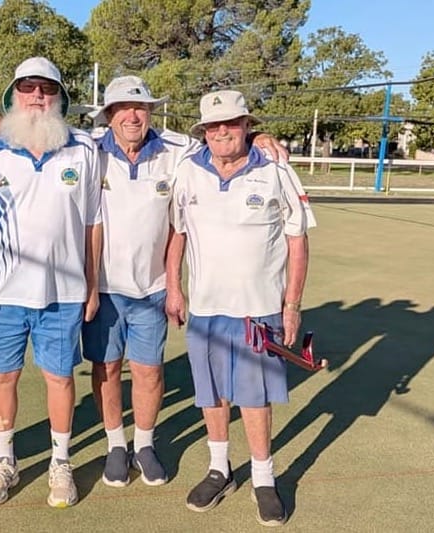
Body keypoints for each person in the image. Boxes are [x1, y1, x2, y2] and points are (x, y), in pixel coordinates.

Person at [81, 76, 290, 489]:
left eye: (140, 107)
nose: (132, 116)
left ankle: (144, 444)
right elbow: (43, 134)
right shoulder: (87, 149)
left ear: (151, 111)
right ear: (109, 115)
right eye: (122, 108)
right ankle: (115, 445)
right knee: (105, 369)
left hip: (154, 287)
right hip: (103, 286)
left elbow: (227, 141)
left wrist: (259, 135)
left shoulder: (179, 150)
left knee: (149, 372)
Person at [166, 89, 315, 526]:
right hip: (207, 309)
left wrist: (292, 305)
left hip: (260, 308)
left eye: (231, 123)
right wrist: (174, 288)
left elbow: (297, 239)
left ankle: (263, 478)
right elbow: (178, 234)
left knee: (254, 398)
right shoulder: (187, 171)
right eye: (213, 126)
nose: (222, 132)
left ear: (248, 125)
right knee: (212, 395)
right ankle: (219, 469)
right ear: (204, 132)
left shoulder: (275, 168)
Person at [0, 57, 101, 509]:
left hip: (63, 294)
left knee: (60, 379)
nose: (38, 97)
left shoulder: (83, 148)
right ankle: (6, 460)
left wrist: (92, 282)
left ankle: (60, 463)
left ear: (60, 97)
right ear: (13, 97)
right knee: (2, 376)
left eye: (47, 89)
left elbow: (91, 223)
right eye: (28, 88)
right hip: (3, 294)